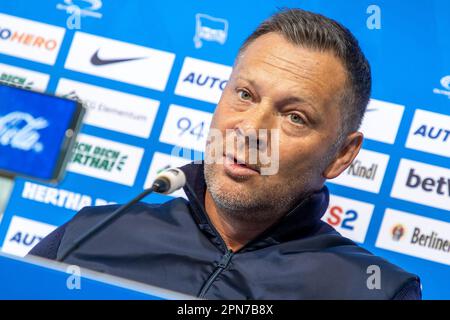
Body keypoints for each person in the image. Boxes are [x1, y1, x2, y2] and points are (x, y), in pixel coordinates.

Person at [30, 8, 421, 299]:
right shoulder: (91, 234)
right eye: (245, 95)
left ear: (342, 154)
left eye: (295, 117)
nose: (250, 130)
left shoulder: (376, 290)